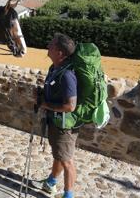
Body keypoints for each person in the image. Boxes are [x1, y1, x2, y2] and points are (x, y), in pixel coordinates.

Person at [32, 33, 78, 198]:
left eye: (51, 45)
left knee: (67, 161)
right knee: (59, 154)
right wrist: (42, 94)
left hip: (64, 126)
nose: (48, 47)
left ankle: (68, 195)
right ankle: (51, 183)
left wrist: (44, 104)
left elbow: (70, 106)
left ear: (60, 53)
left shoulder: (67, 75)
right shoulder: (55, 69)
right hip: (55, 122)